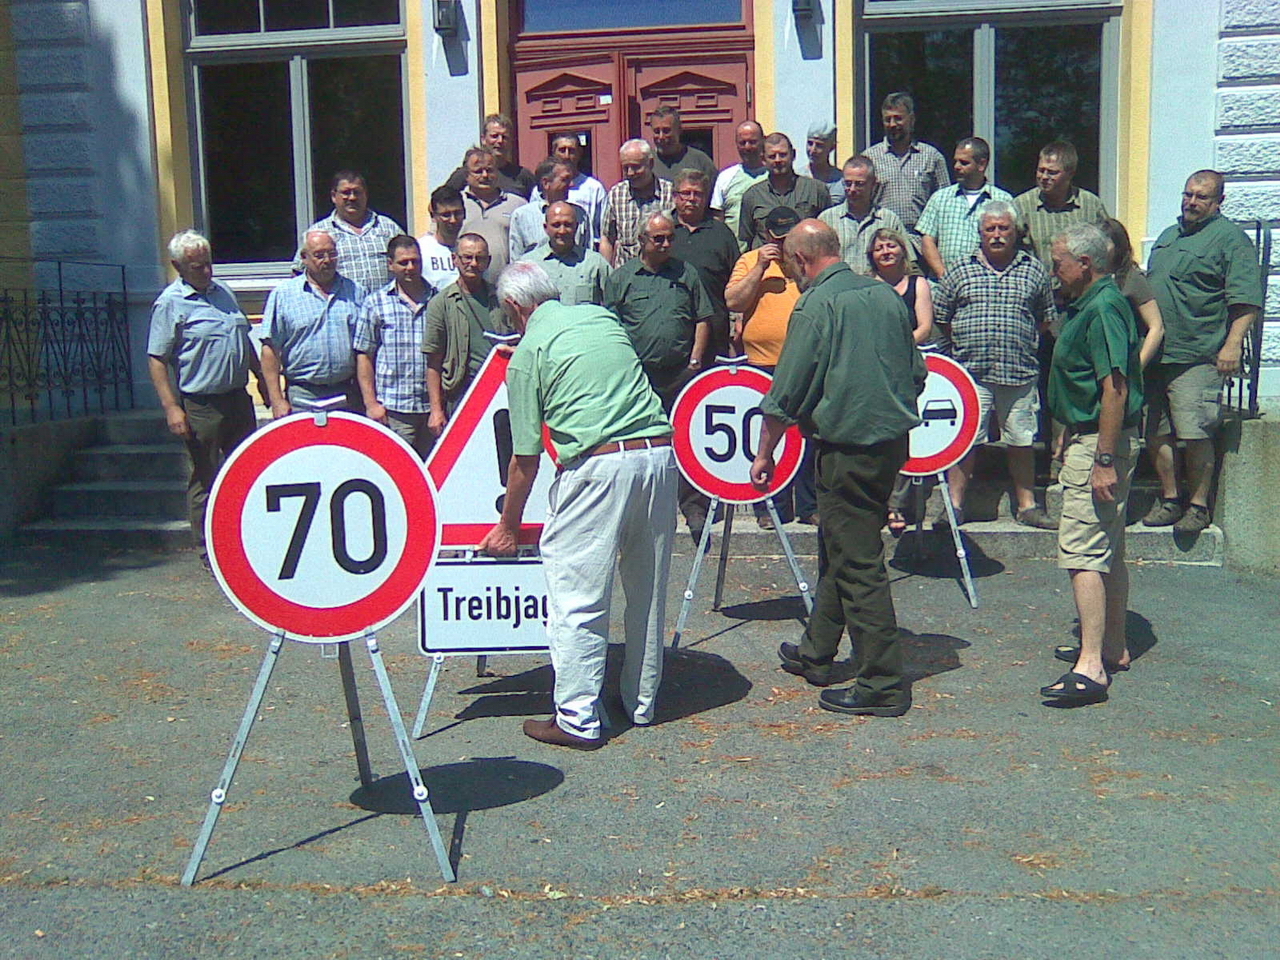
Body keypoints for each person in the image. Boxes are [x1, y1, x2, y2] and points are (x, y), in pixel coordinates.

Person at [479, 261, 678, 749]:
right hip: (659, 455)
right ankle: (641, 702)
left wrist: (508, 526)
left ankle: (577, 718)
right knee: (646, 590)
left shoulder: (526, 355)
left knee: (576, 599)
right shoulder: (601, 318)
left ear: (512, 308)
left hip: (597, 467)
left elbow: (524, 459)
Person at [750, 220, 925, 717]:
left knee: (858, 562)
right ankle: (817, 652)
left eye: (792, 267)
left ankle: (882, 683)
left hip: (846, 447)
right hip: (888, 444)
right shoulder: (887, 296)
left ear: (803, 261)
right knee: (840, 546)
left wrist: (765, 454)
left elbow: (787, 389)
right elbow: (917, 371)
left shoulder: (816, 304)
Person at [1040, 222, 1145, 704]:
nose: (1053, 269)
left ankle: (1090, 668)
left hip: (1100, 444)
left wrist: (1102, 459)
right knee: (1109, 548)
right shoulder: (1095, 304)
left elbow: (1114, 388)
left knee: (1082, 551)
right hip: (1091, 438)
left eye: (1059, 261)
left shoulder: (1102, 307)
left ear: (1085, 264)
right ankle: (1111, 647)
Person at [1143, 170, 1262, 534]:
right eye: (1188, 194)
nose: (1191, 202)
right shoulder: (1168, 235)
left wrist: (1232, 344)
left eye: (1201, 197)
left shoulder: (1230, 240)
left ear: (1218, 202)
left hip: (1197, 353)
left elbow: (1246, 300)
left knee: (1194, 432)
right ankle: (1169, 498)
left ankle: (1197, 505)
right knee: (1155, 431)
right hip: (1158, 353)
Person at [932, 201, 1057, 530]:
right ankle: (954, 505)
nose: (998, 234)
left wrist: (1021, 339)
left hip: (1019, 373)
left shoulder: (1034, 269)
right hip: (971, 374)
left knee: (1021, 439)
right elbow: (942, 317)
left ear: (1015, 232)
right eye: (991, 229)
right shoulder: (960, 269)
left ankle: (1027, 505)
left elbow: (1045, 319)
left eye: (1004, 228)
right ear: (980, 233)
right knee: (966, 441)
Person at [147, 230, 262, 563]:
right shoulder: (171, 303)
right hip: (201, 404)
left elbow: (243, 339)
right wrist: (172, 408)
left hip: (238, 399)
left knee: (244, 470)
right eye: (197, 267)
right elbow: (156, 359)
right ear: (178, 266)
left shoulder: (223, 292)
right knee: (206, 476)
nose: (206, 272)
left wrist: (262, 382)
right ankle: (208, 548)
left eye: (209, 264)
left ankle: (247, 539)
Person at [603, 212, 714, 540]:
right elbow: (610, 326)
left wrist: (695, 359)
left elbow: (703, 318)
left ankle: (694, 508)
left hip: (681, 373)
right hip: (639, 378)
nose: (666, 244)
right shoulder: (622, 278)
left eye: (670, 238)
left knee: (685, 441)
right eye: (659, 239)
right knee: (639, 443)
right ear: (641, 242)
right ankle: (638, 511)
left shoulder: (685, 273)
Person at [725, 206, 816, 528]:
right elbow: (733, 301)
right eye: (778, 238)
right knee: (767, 437)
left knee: (805, 435)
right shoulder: (750, 261)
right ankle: (770, 506)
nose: (783, 244)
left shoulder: (806, 261)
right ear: (766, 236)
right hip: (760, 364)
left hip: (802, 360)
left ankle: (808, 505)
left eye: (789, 237)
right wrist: (761, 266)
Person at [869, 227, 936, 536]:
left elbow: (924, 326)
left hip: (909, 370)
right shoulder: (866, 287)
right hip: (875, 371)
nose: (886, 251)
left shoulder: (918, 284)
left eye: (892, 246)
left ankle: (898, 504)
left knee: (905, 438)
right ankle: (879, 502)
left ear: (902, 251)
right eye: (880, 247)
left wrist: (898, 345)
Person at [260, 229, 366, 417]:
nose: (327, 260)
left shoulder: (356, 292)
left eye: (332, 254)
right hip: (302, 396)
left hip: (348, 394)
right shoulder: (284, 295)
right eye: (319, 255)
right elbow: (270, 350)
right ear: (304, 258)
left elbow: (366, 350)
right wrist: (276, 400)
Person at [422, 233, 513, 434]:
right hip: (461, 392)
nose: (473, 263)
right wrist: (436, 410)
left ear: (488, 262)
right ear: (455, 259)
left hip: (502, 391)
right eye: (467, 257)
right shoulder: (441, 303)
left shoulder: (502, 298)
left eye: (479, 258)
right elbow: (433, 361)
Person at [354, 235, 436, 458]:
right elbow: (364, 356)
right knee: (399, 474)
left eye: (415, 261)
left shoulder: (438, 300)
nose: (410, 267)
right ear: (390, 265)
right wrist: (371, 404)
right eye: (403, 262)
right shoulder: (375, 303)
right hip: (394, 409)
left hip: (433, 408)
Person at [863, 92, 951, 257]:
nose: (892, 124)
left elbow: (945, 205)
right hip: (882, 245)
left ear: (911, 120)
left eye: (898, 118)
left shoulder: (932, 157)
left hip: (920, 246)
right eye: (887, 119)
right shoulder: (869, 158)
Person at [294, 170, 405, 293]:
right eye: (346, 193)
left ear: (366, 195)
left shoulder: (388, 228)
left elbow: (408, 262)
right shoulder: (318, 233)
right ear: (333, 196)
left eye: (357, 192)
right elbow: (298, 272)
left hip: (383, 307)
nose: (352, 198)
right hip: (342, 307)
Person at [917, 137, 1013, 278]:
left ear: (981, 165)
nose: (956, 166)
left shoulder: (1003, 200)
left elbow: (1012, 242)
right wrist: (943, 275)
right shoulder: (940, 198)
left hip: (987, 285)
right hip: (943, 285)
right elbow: (927, 241)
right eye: (955, 161)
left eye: (964, 163)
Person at [669, 169, 741, 360]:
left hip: (715, 333)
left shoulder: (722, 234)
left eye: (698, 194)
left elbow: (736, 279)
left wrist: (737, 321)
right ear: (675, 196)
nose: (692, 199)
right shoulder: (663, 232)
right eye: (686, 193)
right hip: (673, 332)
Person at [1013, 140, 1108, 271]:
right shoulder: (1022, 206)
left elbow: (1109, 245)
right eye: (1041, 170)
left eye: (1052, 172)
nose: (1044, 177)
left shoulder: (1091, 205)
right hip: (1041, 287)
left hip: (1083, 288)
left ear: (1070, 173)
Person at [739, 133, 833, 249]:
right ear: (763, 159)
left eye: (783, 155)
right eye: (772, 156)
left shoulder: (816, 190)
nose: (778, 160)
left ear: (793, 155)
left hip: (805, 262)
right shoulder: (752, 196)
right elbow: (748, 240)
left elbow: (828, 235)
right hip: (768, 264)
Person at [819, 156, 909, 275]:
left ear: (873, 184)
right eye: (847, 183)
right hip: (840, 290)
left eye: (859, 184)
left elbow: (908, 262)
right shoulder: (826, 220)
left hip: (878, 289)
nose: (852, 189)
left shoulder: (889, 220)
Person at [1099, 218, 1164, 369]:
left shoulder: (1132, 278)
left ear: (1118, 246)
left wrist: (1138, 367)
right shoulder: (1092, 276)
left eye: (1104, 244)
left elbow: (1156, 327)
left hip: (1126, 361)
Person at [517, 201, 611, 306]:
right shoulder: (528, 264)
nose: (562, 231)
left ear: (576, 226)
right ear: (545, 227)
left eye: (568, 225)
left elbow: (613, 303)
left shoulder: (595, 263)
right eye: (556, 225)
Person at [459, 146, 527, 285]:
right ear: (466, 175)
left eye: (490, 170)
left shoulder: (517, 204)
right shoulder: (456, 204)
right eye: (478, 171)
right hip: (464, 287)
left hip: (506, 287)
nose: (485, 175)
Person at [600, 139, 674, 268]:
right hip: (627, 274)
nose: (630, 173)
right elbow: (607, 238)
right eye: (625, 168)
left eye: (635, 167)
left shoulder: (669, 193)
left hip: (664, 273)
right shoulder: (617, 194)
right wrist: (607, 274)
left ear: (650, 163)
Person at [508, 157, 587, 261]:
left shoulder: (580, 215)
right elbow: (516, 260)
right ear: (546, 183)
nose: (571, 184)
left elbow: (587, 254)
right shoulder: (522, 216)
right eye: (565, 179)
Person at [446, 113, 537, 199]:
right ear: (483, 139)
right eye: (494, 136)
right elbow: (442, 201)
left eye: (505, 137)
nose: (500, 141)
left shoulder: (523, 175)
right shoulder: (465, 174)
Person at [544, 132, 608, 250]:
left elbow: (604, 233)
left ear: (579, 153)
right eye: (562, 150)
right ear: (554, 152)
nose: (567, 155)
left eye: (572, 150)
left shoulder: (594, 188)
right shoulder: (543, 187)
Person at [711, 120, 768, 246]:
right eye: (742, 143)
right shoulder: (725, 177)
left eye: (752, 142)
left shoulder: (774, 176)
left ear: (763, 141)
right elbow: (717, 220)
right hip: (735, 256)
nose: (747, 147)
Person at [649, 105, 719, 185]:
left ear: (679, 130)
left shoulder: (700, 161)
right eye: (657, 131)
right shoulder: (647, 162)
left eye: (666, 131)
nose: (661, 136)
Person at [418, 186, 464, 292]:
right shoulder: (421, 249)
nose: (453, 220)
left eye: (457, 213)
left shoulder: (470, 250)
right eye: (446, 215)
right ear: (434, 216)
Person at [794, 121, 845, 204]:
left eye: (819, 145)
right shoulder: (796, 177)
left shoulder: (841, 181)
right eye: (810, 143)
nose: (813, 150)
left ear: (832, 147)